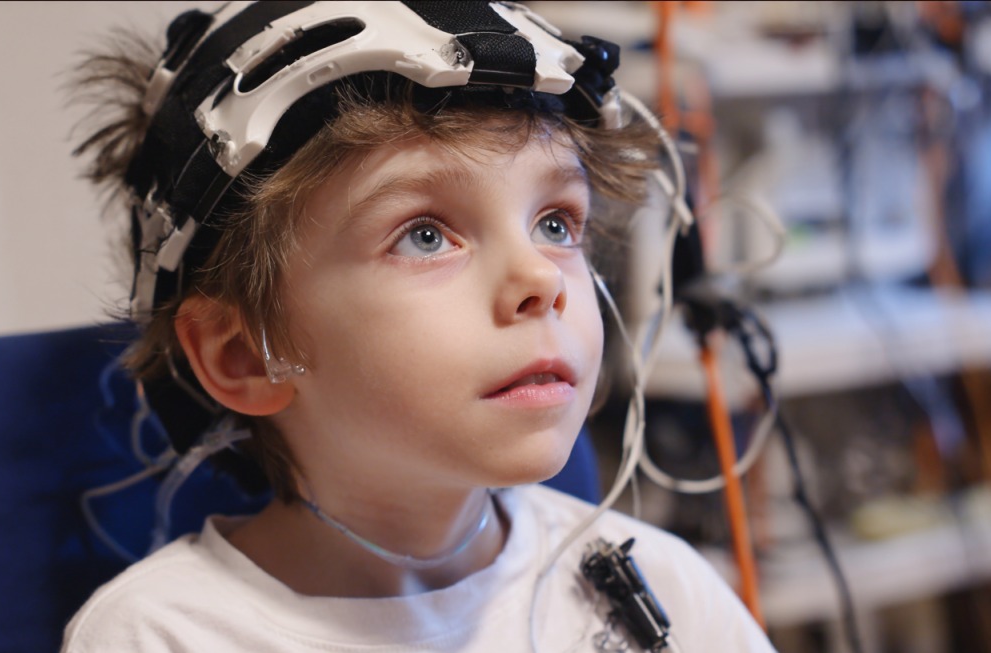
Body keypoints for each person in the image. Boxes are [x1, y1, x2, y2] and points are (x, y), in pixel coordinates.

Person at [61, 2, 777, 651]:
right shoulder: (161, 635)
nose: (540, 280)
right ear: (247, 354)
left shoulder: (660, 587)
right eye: (425, 235)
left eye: (554, 222)